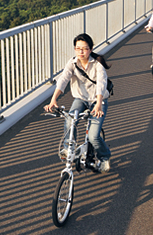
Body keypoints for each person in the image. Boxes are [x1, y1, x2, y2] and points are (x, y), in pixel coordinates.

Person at [44, 33, 111, 173]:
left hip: (98, 101)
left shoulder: (98, 65)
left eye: (85, 48)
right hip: (81, 99)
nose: (81, 52)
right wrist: (53, 100)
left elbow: (101, 85)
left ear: (91, 49)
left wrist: (98, 104)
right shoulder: (72, 63)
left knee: (93, 136)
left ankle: (104, 157)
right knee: (70, 120)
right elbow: (63, 80)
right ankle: (68, 148)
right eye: (78, 48)